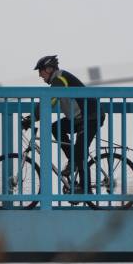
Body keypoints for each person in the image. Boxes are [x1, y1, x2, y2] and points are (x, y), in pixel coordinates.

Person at [21, 55, 105, 192]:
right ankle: (73, 161)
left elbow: (50, 100)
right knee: (56, 127)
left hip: (90, 117)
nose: (40, 75)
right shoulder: (58, 80)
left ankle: (85, 188)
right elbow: (50, 100)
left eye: (40, 71)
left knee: (80, 152)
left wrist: (32, 118)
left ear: (49, 69)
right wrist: (32, 117)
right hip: (79, 118)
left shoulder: (60, 78)